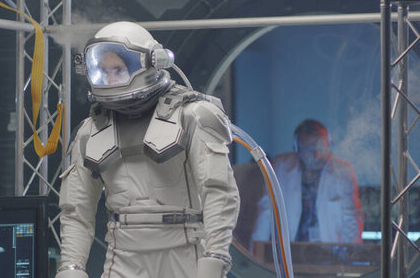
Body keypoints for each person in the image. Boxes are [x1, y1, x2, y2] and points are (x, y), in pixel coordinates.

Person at [56, 22, 240, 278]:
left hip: (184, 253)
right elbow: (76, 211)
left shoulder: (192, 116)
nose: (109, 79)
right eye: (103, 71)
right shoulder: (91, 130)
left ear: (149, 64)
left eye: (118, 70)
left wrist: (216, 257)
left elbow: (218, 191)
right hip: (122, 258)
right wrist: (71, 267)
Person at [251, 119, 364, 244]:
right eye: (309, 149)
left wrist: (352, 256)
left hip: (330, 251)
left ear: (328, 144)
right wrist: (256, 253)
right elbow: (265, 212)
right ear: (297, 149)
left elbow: (352, 219)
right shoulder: (281, 167)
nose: (317, 155)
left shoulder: (343, 171)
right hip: (290, 251)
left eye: (320, 147)